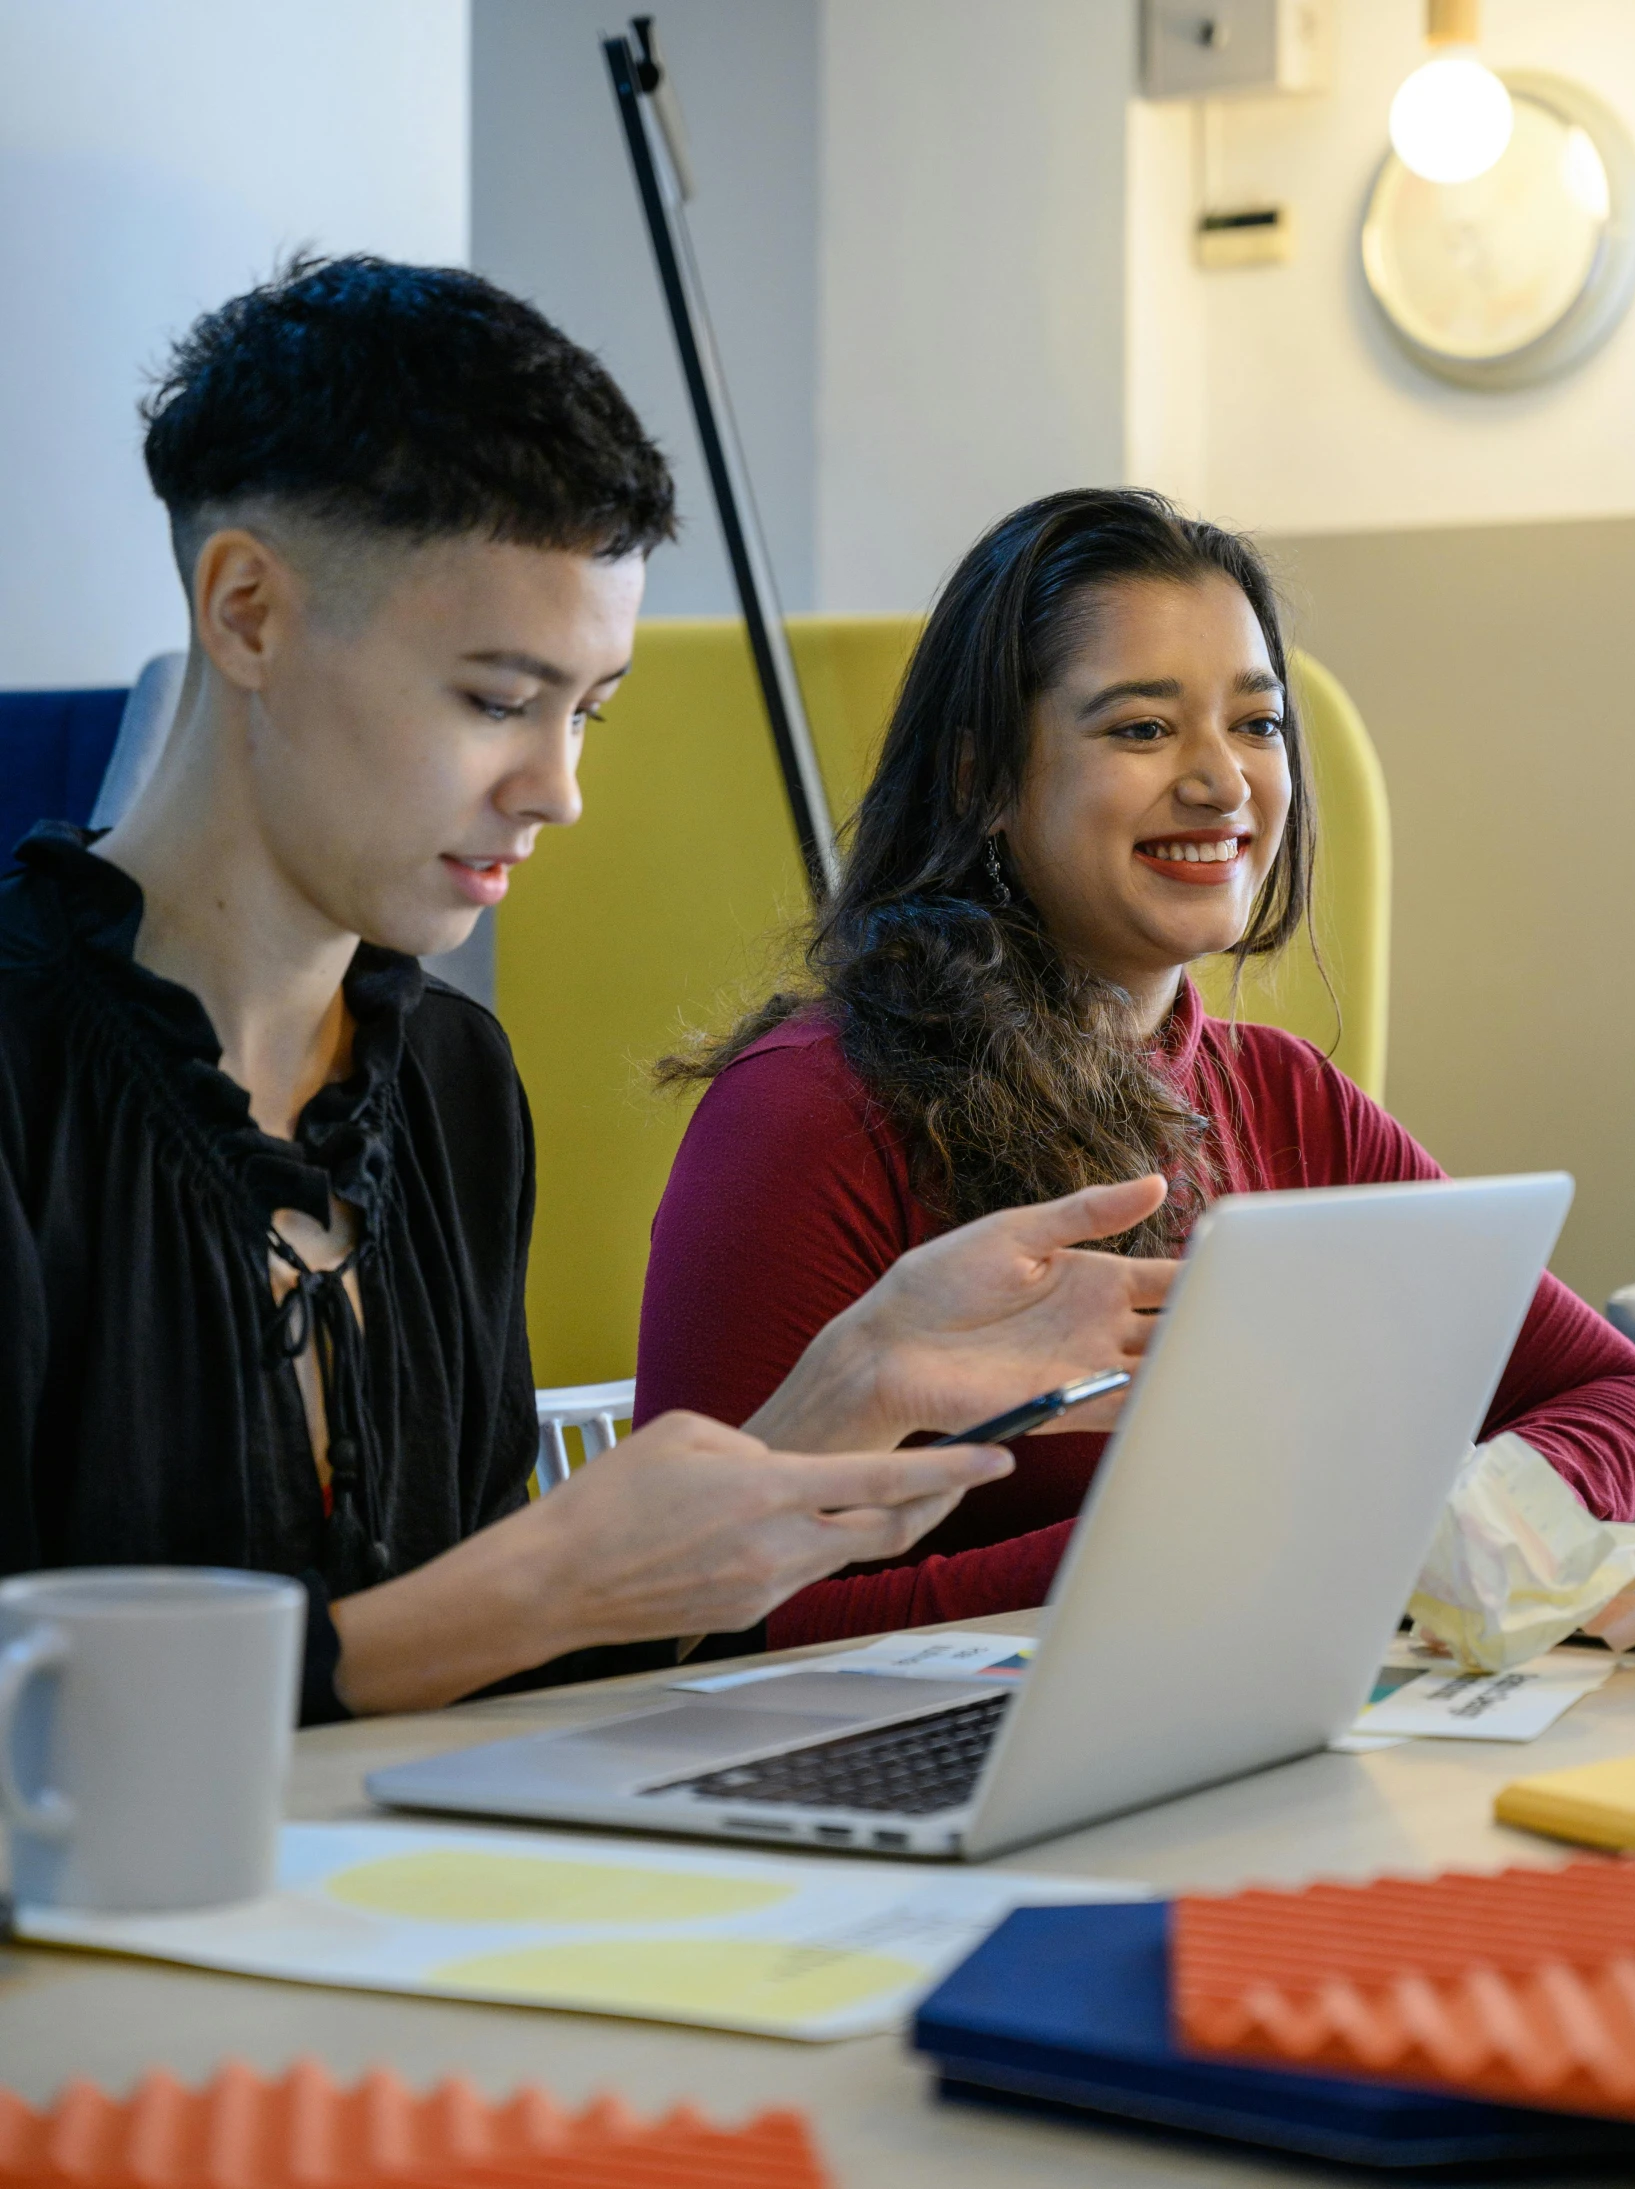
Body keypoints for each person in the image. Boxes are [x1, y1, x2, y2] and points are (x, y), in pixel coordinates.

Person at [0, 265, 1177, 1725]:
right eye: (496, 698)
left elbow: (494, 1681)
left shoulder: (444, 1078)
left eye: (587, 710)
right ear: (247, 611)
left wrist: (848, 1387)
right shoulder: (22, 1075)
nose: (555, 788)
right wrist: (544, 1582)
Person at [637, 487, 1635, 1648]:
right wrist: (1180, 1549)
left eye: (1258, 723)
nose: (1223, 782)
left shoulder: (1289, 1097)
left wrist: (1450, 1522)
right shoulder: (807, 1110)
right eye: (1142, 729)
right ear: (982, 778)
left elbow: (1618, 1397)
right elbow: (691, 1629)